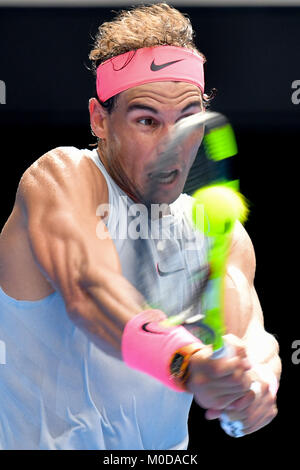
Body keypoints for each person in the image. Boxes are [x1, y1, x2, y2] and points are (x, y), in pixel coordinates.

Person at [0, 3, 281, 450]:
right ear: (99, 120)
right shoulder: (61, 178)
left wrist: (253, 382)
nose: (172, 144)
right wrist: (187, 364)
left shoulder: (217, 230)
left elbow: (250, 336)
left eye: (187, 118)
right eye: (147, 121)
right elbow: (89, 290)